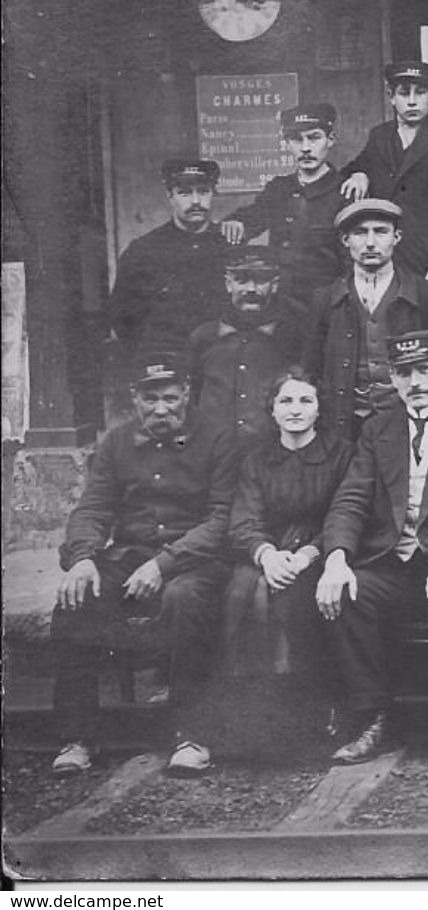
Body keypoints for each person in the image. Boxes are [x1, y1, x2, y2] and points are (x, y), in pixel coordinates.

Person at [50, 356, 240, 777]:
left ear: (186, 395)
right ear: (135, 398)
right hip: (132, 556)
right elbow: (93, 508)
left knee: (184, 598)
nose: (160, 409)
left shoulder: (217, 438)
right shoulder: (116, 443)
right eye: (150, 399)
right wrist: (82, 557)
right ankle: (78, 736)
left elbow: (221, 519)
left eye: (170, 399)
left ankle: (191, 734)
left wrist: (164, 563)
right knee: (77, 599)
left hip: (196, 558)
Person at [317, 331, 428, 770]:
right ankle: (375, 717)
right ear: (393, 380)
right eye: (404, 373)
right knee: (347, 593)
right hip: (392, 559)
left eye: (424, 371)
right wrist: (336, 558)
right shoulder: (379, 429)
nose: (415, 382)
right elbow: (352, 497)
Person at [219, 367, 354, 721]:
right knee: (243, 591)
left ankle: (306, 711)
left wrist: (309, 554)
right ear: (273, 409)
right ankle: (249, 711)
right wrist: (266, 554)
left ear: (319, 409)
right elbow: (243, 520)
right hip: (267, 554)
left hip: (320, 556)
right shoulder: (257, 460)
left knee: (294, 599)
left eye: (305, 400)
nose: (295, 409)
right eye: (286, 401)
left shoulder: (342, 456)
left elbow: (350, 515)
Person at [304, 198, 428, 441]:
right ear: (345, 240)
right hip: (345, 422)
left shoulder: (426, 295)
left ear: (397, 237)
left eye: (381, 232)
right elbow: (311, 366)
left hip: (408, 419)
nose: (370, 243)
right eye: (360, 233)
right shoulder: (325, 299)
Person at [339, 61, 428, 292]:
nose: (413, 101)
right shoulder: (380, 136)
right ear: (391, 96)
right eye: (404, 93)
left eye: (421, 92)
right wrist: (359, 173)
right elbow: (355, 166)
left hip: (426, 256)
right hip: (385, 253)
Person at [221, 104, 349, 306]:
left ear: (330, 140)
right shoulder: (279, 189)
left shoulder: (344, 191)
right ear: (287, 143)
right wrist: (237, 222)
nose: (305, 148)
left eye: (314, 138)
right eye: (297, 139)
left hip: (327, 303)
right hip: (280, 302)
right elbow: (255, 216)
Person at [109, 159, 231, 358]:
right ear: (169, 196)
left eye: (203, 191)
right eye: (184, 193)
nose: (195, 201)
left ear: (213, 194)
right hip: (166, 362)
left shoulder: (230, 246)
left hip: (220, 361)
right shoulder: (144, 250)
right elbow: (122, 316)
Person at [185, 246, 309, 440]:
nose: (251, 289)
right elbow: (190, 396)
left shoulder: (293, 337)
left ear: (274, 285)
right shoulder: (203, 337)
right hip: (214, 452)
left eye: (261, 281)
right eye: (241, 280)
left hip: (270, 450)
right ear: (228, 284)